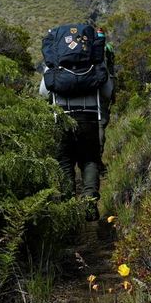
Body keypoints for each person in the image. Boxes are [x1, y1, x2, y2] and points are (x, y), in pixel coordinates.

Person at [39, 27, 114, 221]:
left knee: (64, 164)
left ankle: (68, 211)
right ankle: (89, 203)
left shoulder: (55, 64)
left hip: (62, 119)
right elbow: (107, 92)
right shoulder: (95, 63)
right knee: (90, 161)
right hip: (89, 119)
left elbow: (43, 93)